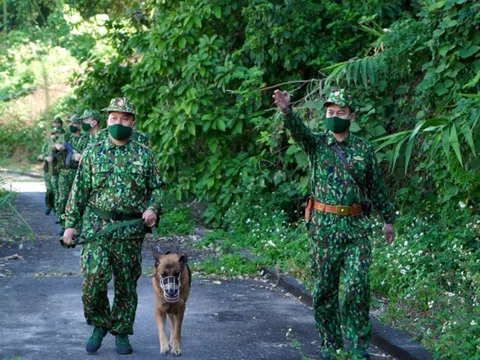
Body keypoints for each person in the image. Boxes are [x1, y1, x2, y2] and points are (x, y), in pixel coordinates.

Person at [273, 88, 395, 360]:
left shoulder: (363, 148)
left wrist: (388, 220)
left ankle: (358, 347)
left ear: (351, 115)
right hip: (324, 229)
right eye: (330, 112)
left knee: (356, 286)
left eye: (341, 113)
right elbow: (298, 132)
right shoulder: (316, 144)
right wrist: (286, 111)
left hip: (357, 229)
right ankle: (331, 346)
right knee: (325, 290)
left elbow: (376, 188)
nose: (335, 117)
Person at [62, 97, 163, 355]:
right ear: (107, 121)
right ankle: (99, 324)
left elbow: (158, 188)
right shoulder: (94, 152)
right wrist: (70, 225)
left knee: (126, 285)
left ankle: (121, 332)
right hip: (97, 228)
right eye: (114, 118)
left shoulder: (145, 154)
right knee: (93, 281)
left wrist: (152, 208)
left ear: (133, 122)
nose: (118, 123)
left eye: (124, 118)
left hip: (130, 230)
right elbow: (79, 190)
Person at [54, 115, 83, 235]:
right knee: (63, 199)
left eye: (74, 123)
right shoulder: (66, 136)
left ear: (79, 125)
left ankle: (78, 225)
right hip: (64, 172)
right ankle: (63, 224)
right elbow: (55, 144)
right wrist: (58, 147)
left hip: (78, 172)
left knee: (78, 200)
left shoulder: (85, 138)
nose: (71, 125)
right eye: (70, 123)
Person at [38, 127, 64, 215]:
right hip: (48, 170)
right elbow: (41, 156)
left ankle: (57, 211)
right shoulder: (47, 144)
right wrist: (45, 158)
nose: (55, 135)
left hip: (58, 171)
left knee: (58, 192)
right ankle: (49, 205)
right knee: (49, 190)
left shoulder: (62, 144)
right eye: (53, 134)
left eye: (57, 133)